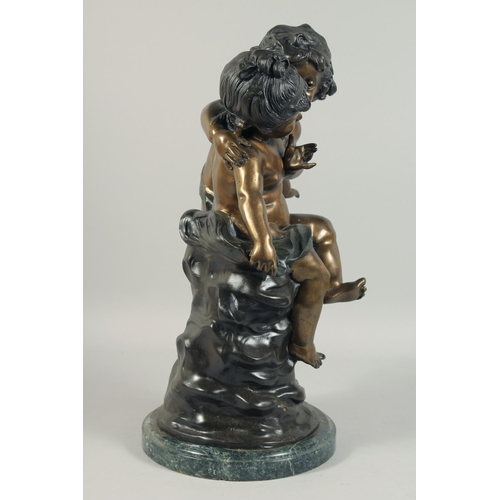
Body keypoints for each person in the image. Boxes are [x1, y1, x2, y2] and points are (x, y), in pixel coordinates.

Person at [201, 25, 366, 306]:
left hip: (270, 211)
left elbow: (279, 171)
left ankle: (331, 287)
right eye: (297, 80)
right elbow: (212, 112)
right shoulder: (243, 126)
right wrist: (220, 136)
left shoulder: (288, 124)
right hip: (230, 208)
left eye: (309, 84)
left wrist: (292, 165)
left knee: (323, 229)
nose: (303, 96)